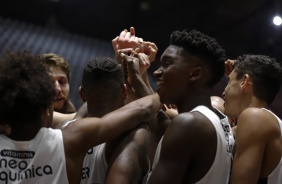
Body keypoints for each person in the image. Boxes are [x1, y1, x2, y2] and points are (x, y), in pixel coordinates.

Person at [0, 50, 161, 184]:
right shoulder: (69, 138)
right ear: (46, 111)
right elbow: (145, 107)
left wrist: (109, 72)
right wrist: (134, 75)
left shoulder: (68, 128)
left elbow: (90, 106)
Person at [145, 29, 234, 184]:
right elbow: (157, 119)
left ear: (195, 74)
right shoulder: (220, 121)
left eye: (167, 64)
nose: (157, 72)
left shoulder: (188, 123)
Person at [223, 54, 282, 183]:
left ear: (244, 81)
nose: (224, 92)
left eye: (228, 81)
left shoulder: (255, 117)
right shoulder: (267, 121)